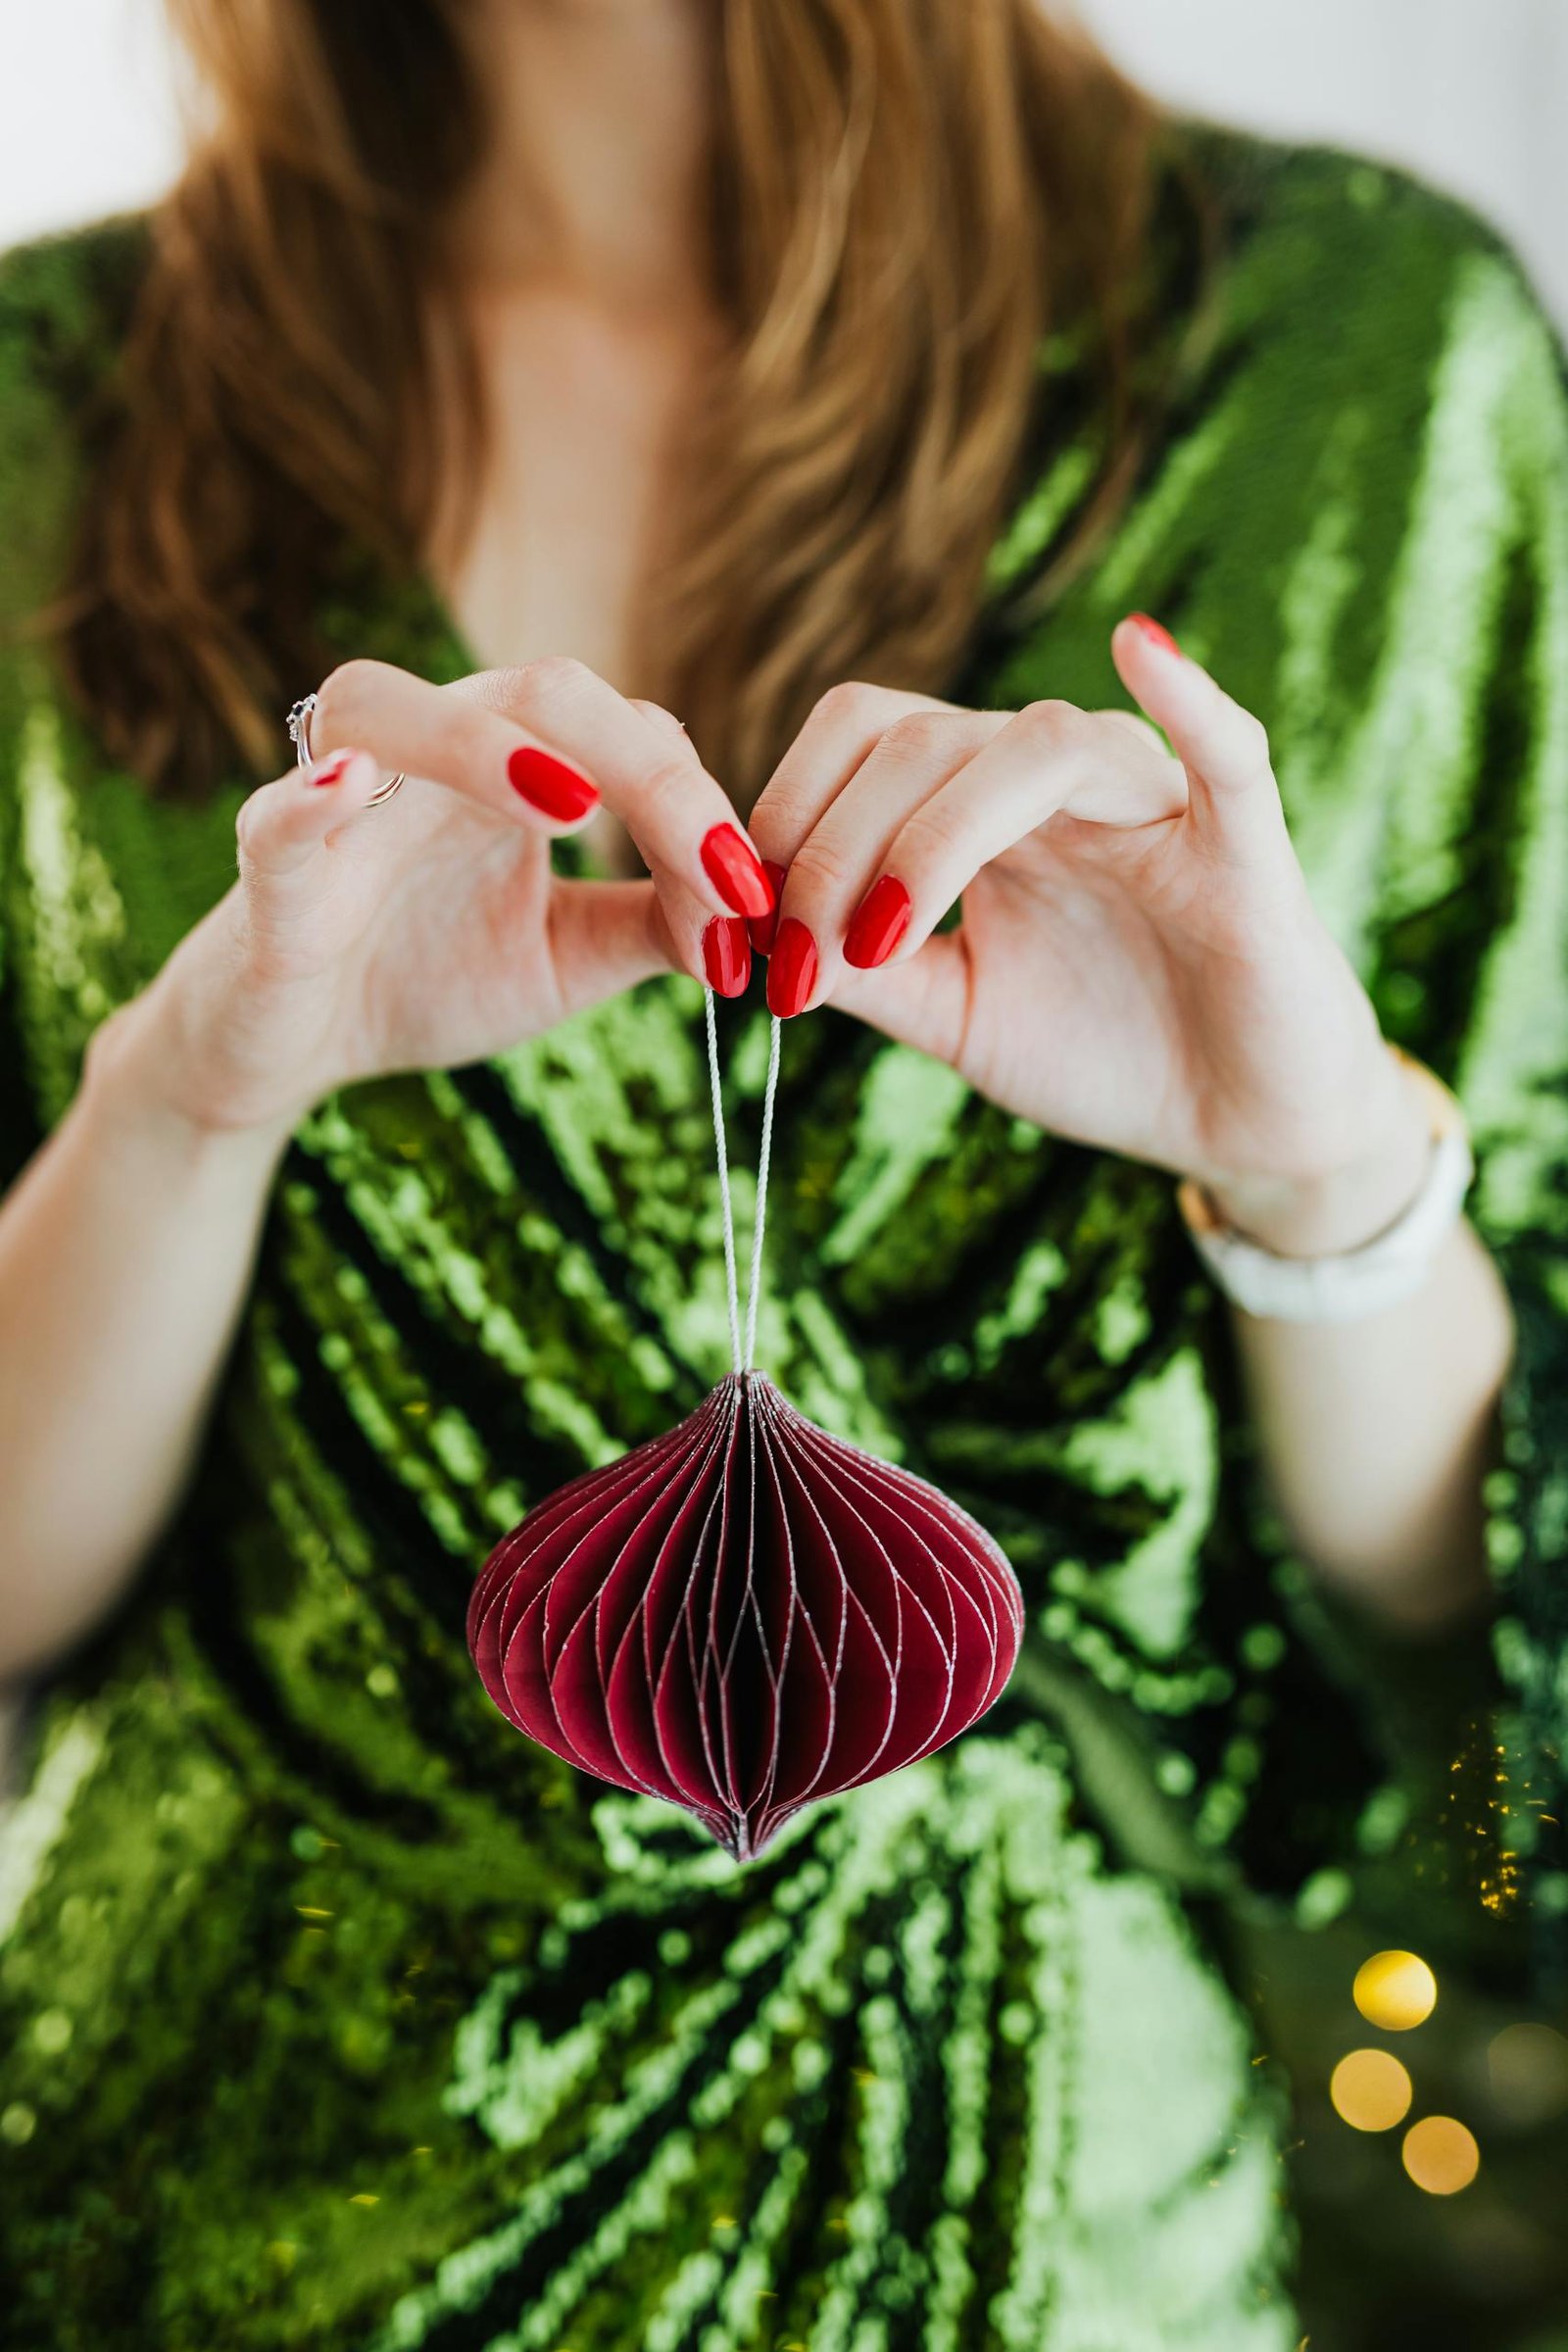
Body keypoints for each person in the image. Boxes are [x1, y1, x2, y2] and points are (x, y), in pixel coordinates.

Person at [0, 1, 1563, 2342]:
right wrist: (197, 1087)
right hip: (242, 2217)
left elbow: (1459, 1622)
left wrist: (1313, 1164)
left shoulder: (1362, 358)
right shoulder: (52, 410)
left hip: (1068, 2245)